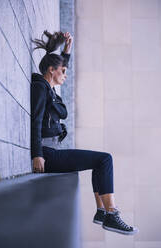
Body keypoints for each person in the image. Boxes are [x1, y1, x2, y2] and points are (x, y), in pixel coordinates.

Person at [31, 30, 139, 235]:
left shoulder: (48, 87)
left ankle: (102, 212)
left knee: (100, 162)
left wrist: (67, 51)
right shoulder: (40, 88)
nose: (65, 75)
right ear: (52, 70)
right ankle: (111, 214)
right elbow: (35, 120)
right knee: (104, 160)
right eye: (63, 71)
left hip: (51, 150)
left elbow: (59, 66)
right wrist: (37, 154)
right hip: (47, 153)